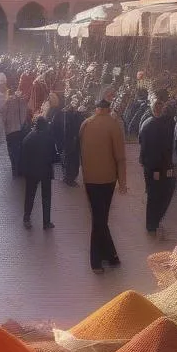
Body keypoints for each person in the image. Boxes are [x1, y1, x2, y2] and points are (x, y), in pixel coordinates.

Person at [79, 95, 127, 274]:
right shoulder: (113, 125)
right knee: (100, 219)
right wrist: (122, 183)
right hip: (107, 179)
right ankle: (96, 260)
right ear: (108, 108)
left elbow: (79, 150)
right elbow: (120, 158)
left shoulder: (86, 124)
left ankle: (110, 255)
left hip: (89, 178)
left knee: (99, 216)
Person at [138, 94, 177, 236]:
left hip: (161, 166)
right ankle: (152, 224)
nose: (159, 108)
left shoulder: (163, 124)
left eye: (162, 106)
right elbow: (146, 145)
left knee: (160, 193)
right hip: (155, 167)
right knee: (156, 194)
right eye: (157, 105)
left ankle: (154, 221)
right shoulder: (150, 124)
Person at [20, 117, 56, 231]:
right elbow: (54, 157)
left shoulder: (28, 138)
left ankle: (26, 218)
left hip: (31, 172)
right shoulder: (49, 138)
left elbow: (23, 156)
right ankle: (46, 222)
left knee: (30, 195)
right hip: (45, 171)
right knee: (46, 197)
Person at [2, 88, 30, 176]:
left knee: (12, 151)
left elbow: (4, 118)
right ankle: (20, 170)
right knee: (19, 150)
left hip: (10, 131)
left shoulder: (7, 102)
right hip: (20, 130)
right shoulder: (23, 102)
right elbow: (24, 117)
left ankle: (15, 169)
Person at [60, 97, 86, 187]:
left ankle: (68, 178)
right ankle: (69, 179)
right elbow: (75, 129)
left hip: (70, 143)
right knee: (72, 162)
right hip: (73, 144)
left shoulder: (67, 115)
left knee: (70, 161)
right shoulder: (72, 116)